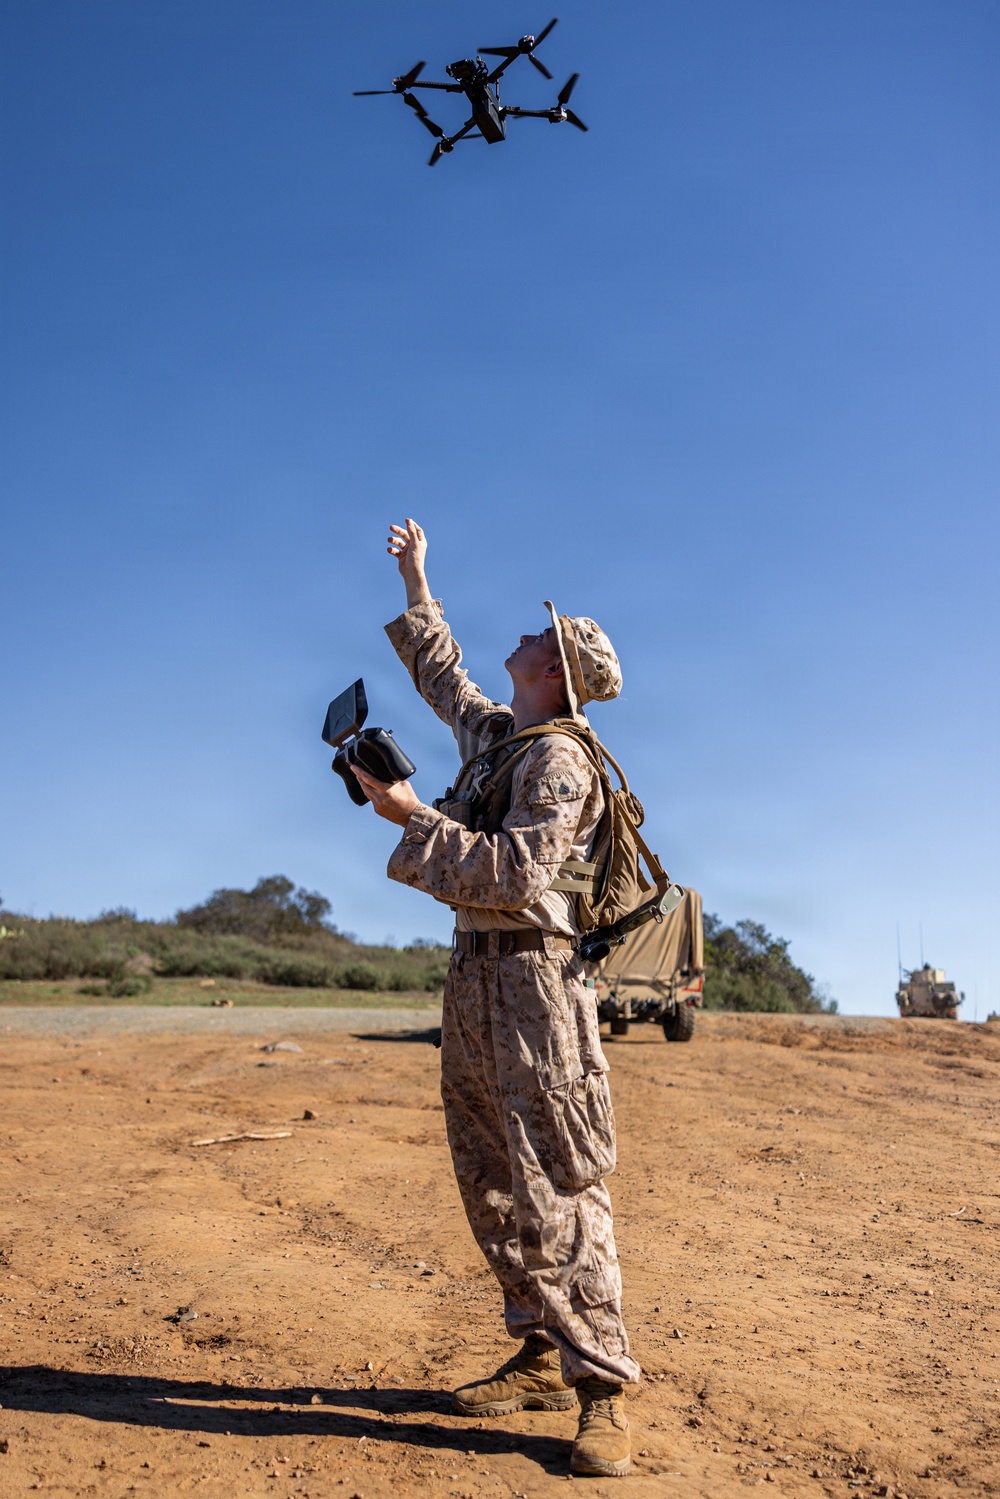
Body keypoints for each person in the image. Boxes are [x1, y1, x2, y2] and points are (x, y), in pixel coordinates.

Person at [350, 518, 638, 1480]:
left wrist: (411, 817)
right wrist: (416, 578)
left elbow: (515, 874)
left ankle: (603, 1389)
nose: (523, 632)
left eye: (539, 634)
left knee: (560, 1179)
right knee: (490, 1176)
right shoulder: (505, 740)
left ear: (556, 669)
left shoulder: (560, 760)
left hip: (535, 985)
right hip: (475, 976)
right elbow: (444, 678)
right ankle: (541, 1354)